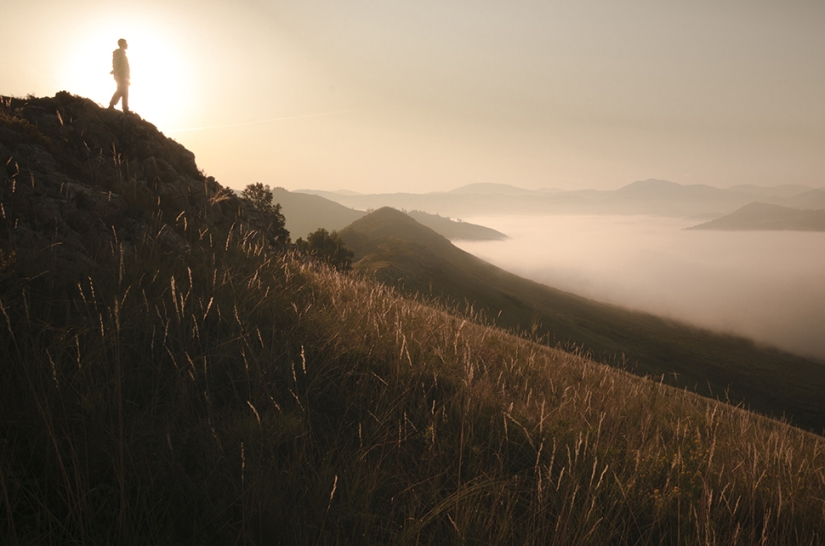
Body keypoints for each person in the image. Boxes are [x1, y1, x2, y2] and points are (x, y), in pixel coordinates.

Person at [108, 39, 130, 113]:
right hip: (121, 75)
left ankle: (124, 108)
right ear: (121, 44)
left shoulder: (122, 54)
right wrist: (117, 74)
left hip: (124, 76)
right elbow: (116, 65)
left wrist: (128, 77)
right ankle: (113, 105)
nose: (127, 45)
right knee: (121, 91)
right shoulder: (118, 53)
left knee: (124, 91)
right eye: (125, 43)